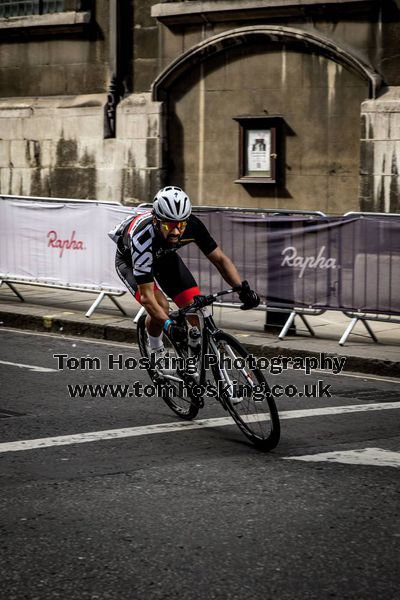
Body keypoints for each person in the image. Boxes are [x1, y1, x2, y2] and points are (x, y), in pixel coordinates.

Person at [109, 186, 260, 359]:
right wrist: (168, 326)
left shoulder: (192, 225)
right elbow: (147, 298)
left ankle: (192, 355)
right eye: (168, 225)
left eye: (180, 225)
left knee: (195, 310)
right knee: (161, 307)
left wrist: (242, 289)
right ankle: (157, 351)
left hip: (164, 257)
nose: (175, 231)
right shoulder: (142, 238)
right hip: (129, 261)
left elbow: (219, 259)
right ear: (156, 220)